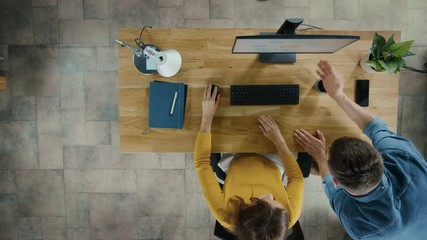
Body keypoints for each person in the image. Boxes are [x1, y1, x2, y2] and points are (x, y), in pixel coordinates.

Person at [294, 60, 427, 240]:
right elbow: (373, 126)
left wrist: (319, 155)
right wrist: (338, 95)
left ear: (337, 181)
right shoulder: (401, 155)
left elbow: (332, 193)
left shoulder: (357, 223)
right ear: (378, 154)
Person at [194, 84, 304, 240]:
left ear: (245, 209)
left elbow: (202, 164)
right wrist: (278, 140)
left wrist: (207, 116)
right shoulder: (288, 216)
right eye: (277, 201)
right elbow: (296, 178)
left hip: (235, 159)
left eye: (263, 200)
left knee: (232, 118)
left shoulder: (224, 213)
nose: (270, 195)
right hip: (273, 161)